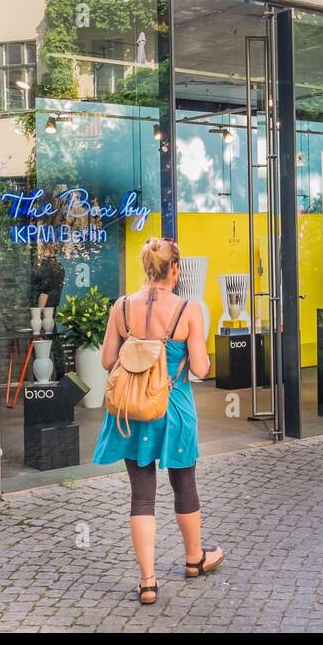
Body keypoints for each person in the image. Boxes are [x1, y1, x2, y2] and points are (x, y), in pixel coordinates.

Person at [91, 238, 224, 604]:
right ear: (175, 270)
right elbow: (199, 368)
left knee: (141, 494)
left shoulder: (121, 307)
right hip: (174, 410)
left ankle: (147, 581)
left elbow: (106, 360)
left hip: (132, 413)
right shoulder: (189, 310)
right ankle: (194, 559)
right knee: (184, 483)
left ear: (146, 268)